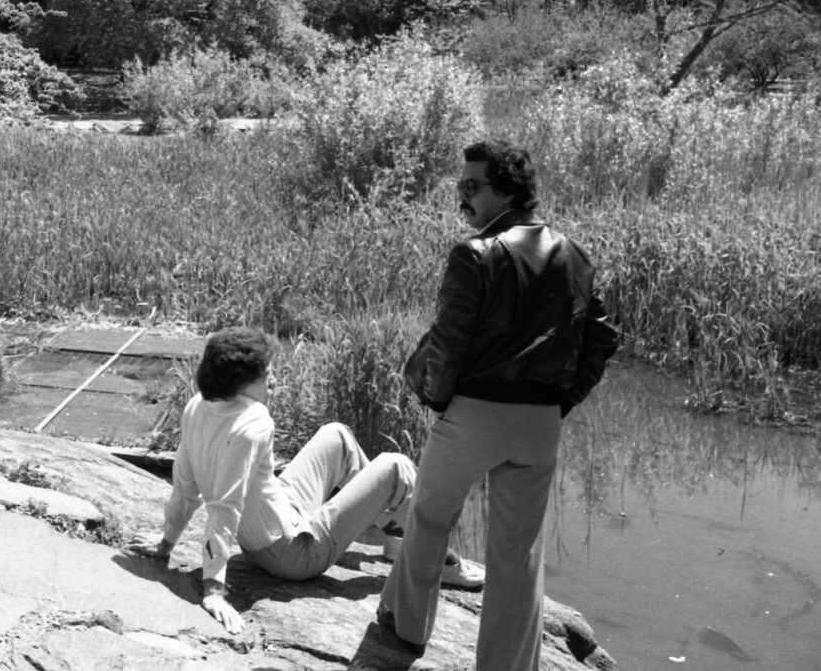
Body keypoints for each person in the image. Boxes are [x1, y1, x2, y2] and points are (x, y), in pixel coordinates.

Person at [378, 139, 620, 670]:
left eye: (472, 186)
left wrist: (439, 401)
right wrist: (559, 403)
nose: (461, 198)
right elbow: (603, 339)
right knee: (519, 553)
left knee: (430, 515)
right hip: (539, 424)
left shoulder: (475, 254)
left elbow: (449, 339)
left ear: (507, 188)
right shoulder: (574, 254)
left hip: (475, 412)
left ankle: (406, 626)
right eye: (459, 186)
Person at [139, 327, 482, 635]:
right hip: (291, 555)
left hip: (281, 515)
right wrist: (214, 590)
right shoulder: (254, 423)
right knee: (395, 466)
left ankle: (395, 532)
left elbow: (184, 485)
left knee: (338, 437)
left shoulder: (198, 406)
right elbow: (223, 508)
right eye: (267, 376)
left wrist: (166, 543)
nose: (273, 382)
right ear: (242, 382)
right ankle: (436, 556)